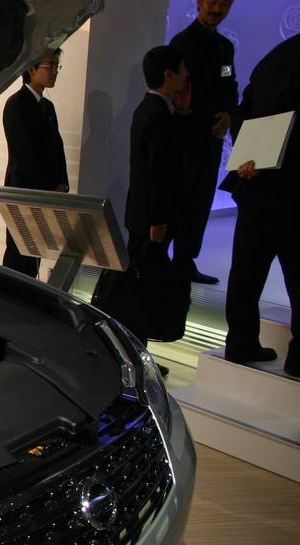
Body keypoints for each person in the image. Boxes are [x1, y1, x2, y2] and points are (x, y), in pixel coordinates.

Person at [223, 0, 300, 435]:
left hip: (253, 182)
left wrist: (251, 158)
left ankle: (240, 341)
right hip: (298, 188)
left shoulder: (276, 55)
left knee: (246, 268)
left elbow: (242, 110)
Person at [121, 46, 188, 351]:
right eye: (182, 71)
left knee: (141, 287)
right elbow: (158, 174)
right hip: (151, 220)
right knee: (143, 289)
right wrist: (159, 220)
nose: (186, 77)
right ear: (168, 75)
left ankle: (137, 349)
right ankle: (136, 350)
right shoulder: (157, 114)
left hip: (142, 215)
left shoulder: (148, 109)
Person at [169, 0, 238, 285]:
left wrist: (228, 115)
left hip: (212, 138)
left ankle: (185, 259)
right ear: (198, 3)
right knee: (180, 199)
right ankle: (165, 261)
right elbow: (177, 92)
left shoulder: (225, 47)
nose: (217, 8)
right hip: (186, 137)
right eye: (212, 1)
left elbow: (229, 82)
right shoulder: (182, 43)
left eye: (224, 2)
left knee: (201, 200)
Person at [0, 49, 68, 278]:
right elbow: (24, 154)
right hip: (23, 192)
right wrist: (49, 187)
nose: (55, 72)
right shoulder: (16, 104)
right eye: (50, 66)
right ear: (31, 68)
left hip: (43, 194)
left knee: (35, 255)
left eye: (57, 66)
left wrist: (62, 184)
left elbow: (57, 148)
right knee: (18, 255)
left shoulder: (47, 107)